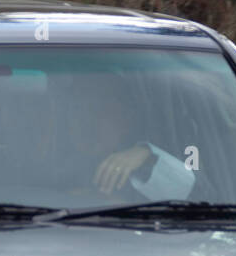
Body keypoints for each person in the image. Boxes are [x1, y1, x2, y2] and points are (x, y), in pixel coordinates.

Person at [60, 75, 195, 201]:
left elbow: (197, 194)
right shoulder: (51, 167)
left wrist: (148, 158)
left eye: (99, 108)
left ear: (128, 116)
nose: (87, 120)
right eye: (78, 108)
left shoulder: (174, 154)